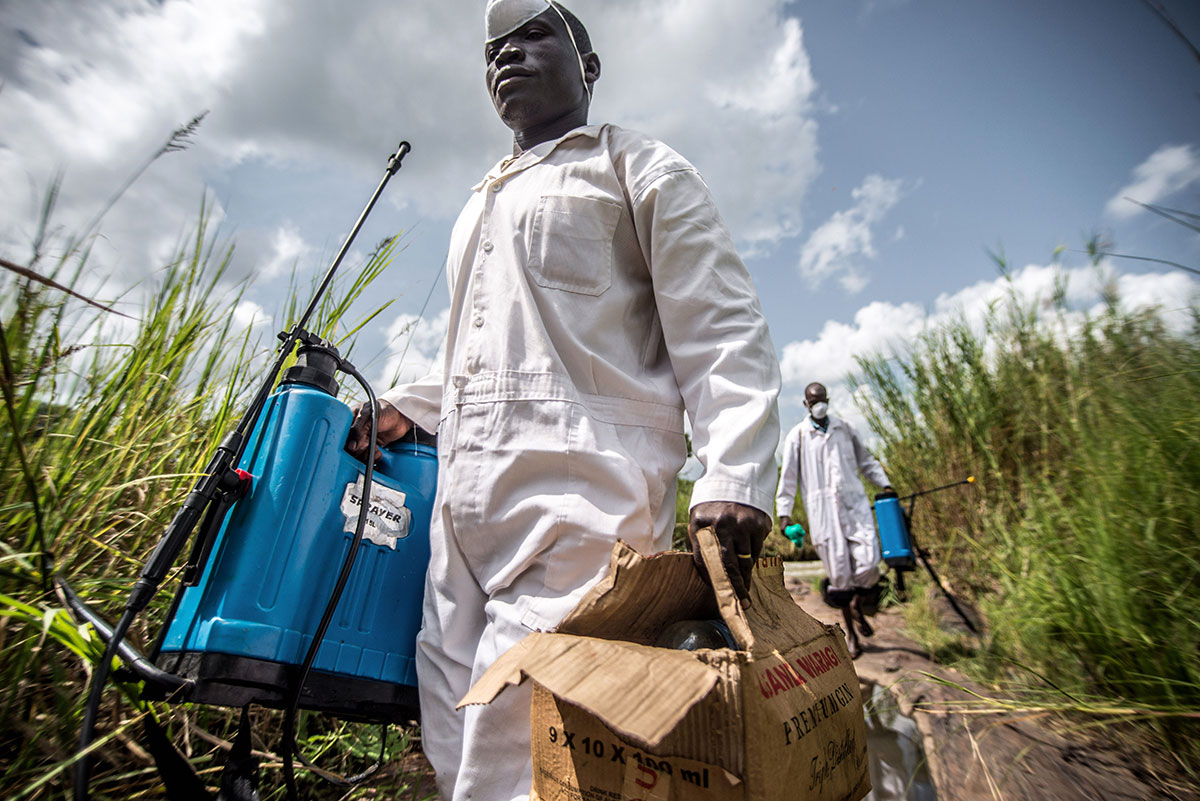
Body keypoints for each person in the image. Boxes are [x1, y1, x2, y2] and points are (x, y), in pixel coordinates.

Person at [344, 2, 781, 798]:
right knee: (452, 725)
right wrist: (414, 404)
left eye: (534, 35)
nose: (507, 57)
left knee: (525, 742)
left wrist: (736, 472)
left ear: (590, 64)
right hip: (463, 510)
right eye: (493, 53)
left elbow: (719, 325)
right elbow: (487, 354)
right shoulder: (480, 201)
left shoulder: (637, 168)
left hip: (586, 496)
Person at [776, 382, 891, 659]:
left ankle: (856, 605)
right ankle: (851, 634)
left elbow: (867, 461)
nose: (819, 404)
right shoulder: (798, 436)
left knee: (869, 563)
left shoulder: (845, 428)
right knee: (839, 574)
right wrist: (784, 513)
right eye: (814, 400)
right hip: (823, 512)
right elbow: (789, 476)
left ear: (827, 400)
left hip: (855, 505)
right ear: (806, 404)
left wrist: (885, 484)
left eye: (822, 399)